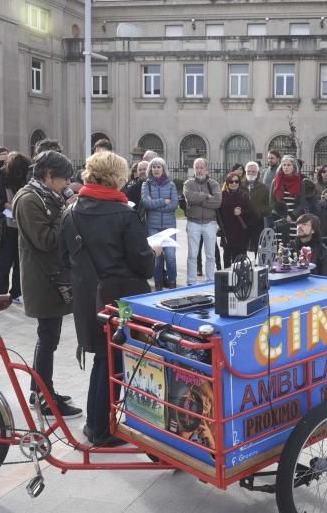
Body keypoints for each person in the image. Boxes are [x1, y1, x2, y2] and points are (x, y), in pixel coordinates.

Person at [60, 151, 155, 446]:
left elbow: (64, 261)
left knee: (103, 360)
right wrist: (154, 253)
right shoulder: (124, 214)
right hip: (120, 299)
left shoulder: (71, 212)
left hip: (88, 298)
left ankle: (97, 423)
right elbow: (144, 265)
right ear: (116, 177)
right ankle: (101, 428)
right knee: (113, 361)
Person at [12, 150, 81, 418]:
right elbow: (46, 240)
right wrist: (67, 212)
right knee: (47, 337)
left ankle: (40, 389)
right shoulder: (29, 199)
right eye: (63, 179)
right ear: (49, 175)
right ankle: (43, 397)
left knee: (48, 338)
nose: (66, 185)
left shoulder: (45, 196)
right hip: (42, 279)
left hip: (53, 276)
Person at [0, 151, 29, 301]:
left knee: (20, 262)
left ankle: (17, 292)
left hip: (23, 225)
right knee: (5, 261)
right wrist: (5, 205)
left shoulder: (26, 178)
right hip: (6, 224)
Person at [141, 157, 179, 290]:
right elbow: (146, 203)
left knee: (170, 256)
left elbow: (174, 204)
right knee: (157, 258)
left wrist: (155, 203)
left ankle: (172, 283)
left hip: (168, 227)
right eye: (154, 166)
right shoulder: (147, 184)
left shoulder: (171, 184)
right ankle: (158, 286)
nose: (156, 169)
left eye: (159, 167)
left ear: (163, 169)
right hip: (153, 227)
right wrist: (163, 201)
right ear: (150, 169)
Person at [183, 158, 222, 286]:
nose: (199, 170)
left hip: (210, 223)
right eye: (197, 168)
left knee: (210, 255)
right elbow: (189, 198)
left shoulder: (214, 184)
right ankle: (191, 282)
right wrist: (206, 196)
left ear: (207, 169)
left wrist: (198, 200)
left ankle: (210, 281)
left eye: (201, 168)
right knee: (192, 255)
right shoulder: (188, 184)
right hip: (193, 222)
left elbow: (217, 202)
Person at [270, 155, 307, 245]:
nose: (286, 167)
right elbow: (272, 201)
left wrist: (292, 216)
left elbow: (302, 203)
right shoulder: (276, 181)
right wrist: (282, 215)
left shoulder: (300, 182)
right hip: (279, 218)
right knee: (280, 245)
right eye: (284, 165)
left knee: (293, 245)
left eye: (289, 165)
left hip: (294, 218)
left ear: (294, 167)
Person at [218, 171, 251, 266]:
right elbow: (217, 213)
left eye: (236, 181)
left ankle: (241, 278)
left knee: (241, 258)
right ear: (227, 183)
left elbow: (251, 212)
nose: (234, 183)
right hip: (227, 230)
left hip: (240, 232)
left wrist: (242, 211)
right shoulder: (222, 195)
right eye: (231, 182)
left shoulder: (244, 195)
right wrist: (220, 226)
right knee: (227, 256)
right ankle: (227, 278)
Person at [244, 161, 270, 252]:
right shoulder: (239, 186)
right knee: (242, 249)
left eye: (253, 171)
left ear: (257, 173)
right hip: (241, 222)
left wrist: (259, 212)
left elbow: (269, 207)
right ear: (245, 172)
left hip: (257, 222)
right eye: (249, 171)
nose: (251, 173)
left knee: (257, 249)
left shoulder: (263, 188)